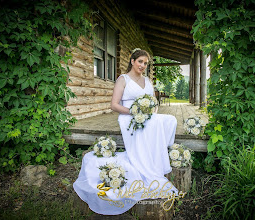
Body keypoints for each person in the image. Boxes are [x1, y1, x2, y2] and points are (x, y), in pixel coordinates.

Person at [73, 49, 178, 215]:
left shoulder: (147, 81)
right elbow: (114, 105)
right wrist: (134, 112)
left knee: (170, 120)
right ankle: (146, 159)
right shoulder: (123, 80)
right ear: (132, 61)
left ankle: (157, 155)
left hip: (145, 116)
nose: (143, 65)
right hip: (128, 116)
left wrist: (152, 113)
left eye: (145, 63)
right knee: (152, 123)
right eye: (140, 62)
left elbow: (153, 102)